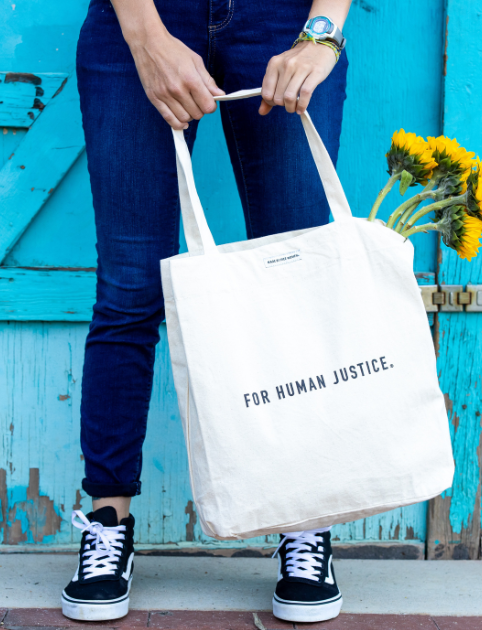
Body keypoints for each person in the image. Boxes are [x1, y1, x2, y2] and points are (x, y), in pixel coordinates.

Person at [64, 0, 350, 623]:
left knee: (295, 283)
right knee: (130, 287)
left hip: (284, 19)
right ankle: (108, 524)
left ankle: (306, 521)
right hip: (140, 15)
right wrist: (144, 37)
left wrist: (321, 35)